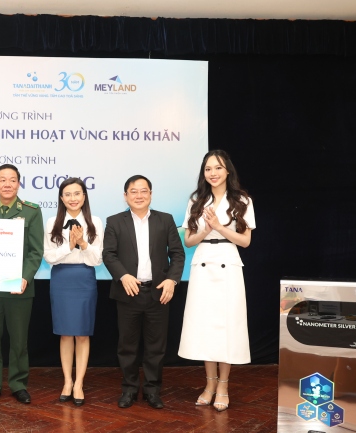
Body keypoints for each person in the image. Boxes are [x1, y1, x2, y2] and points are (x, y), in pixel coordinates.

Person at [178, 150, 255, 412]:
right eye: (208, 168)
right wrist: (206, 230)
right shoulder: (196, 199)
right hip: (203, 263)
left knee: (227, 325)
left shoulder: (242, 200)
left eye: (218, 168)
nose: (213, 173)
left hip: (228, 263)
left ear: (228, 170)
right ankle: (209, 384)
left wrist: (220, 228)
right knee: (205, 326)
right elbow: (189, 240)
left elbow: (245, 241)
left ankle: (223, 385)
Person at [103, 175, 184, 410]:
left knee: (156, 347)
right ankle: (129, 389)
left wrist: (172, 280)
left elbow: (177, 254)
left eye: (144, 191)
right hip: (128, 291)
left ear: (150, 194)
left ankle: (152, 390)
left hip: (158, 292)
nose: (139, 195)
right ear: (125, 196)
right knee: (127, 346)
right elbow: (109, 254)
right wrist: (123, 275)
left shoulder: (165, 220)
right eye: (133, 191)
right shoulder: (114, 221)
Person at [0, 164, 44, 404]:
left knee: (19, 341)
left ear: (18, 183)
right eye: (2, 180)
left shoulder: (32, 211)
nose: (7, 184)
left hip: (20, 288)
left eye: (12, 180)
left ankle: (18, 384)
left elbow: (36, 251)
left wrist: (25, 277)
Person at [43, 178, 103, 407]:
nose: (73, 198)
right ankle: (67, 381)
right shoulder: (53, 222)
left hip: (84, 278)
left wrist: (83, 244)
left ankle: (79, 383)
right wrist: (69, 245)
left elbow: (98, 259)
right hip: (61, 279)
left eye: (77, 193)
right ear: (61, 198)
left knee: (82, 333)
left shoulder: (95, 221)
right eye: (67, 194)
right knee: (66, 333)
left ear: (84, 196)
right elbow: (49, 257)